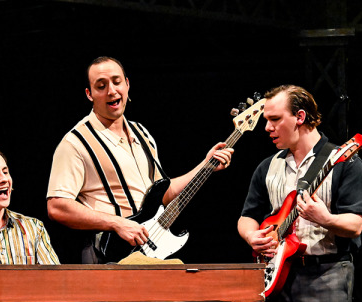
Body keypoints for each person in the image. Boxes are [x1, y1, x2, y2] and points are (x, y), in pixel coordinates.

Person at [237, 85, 362, 302]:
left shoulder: (343, 161)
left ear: (300, 117)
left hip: (326, 274)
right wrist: (251, 235)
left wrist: (326, 219)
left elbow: (356, 223)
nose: (267, 127)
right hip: (279, 281)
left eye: (274, 119)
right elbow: (247, 216)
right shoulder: (267, 167)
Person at [46, 56, 233, 263]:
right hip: (109, 254)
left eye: (117, 82)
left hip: (148, 251)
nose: (111, 91)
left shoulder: (142, 134)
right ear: (89, 94)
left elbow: (163, 192)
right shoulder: (75, 143)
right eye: (101, 86)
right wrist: (117, 223)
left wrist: (205, 166)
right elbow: (57, 206)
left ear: (127, 84)